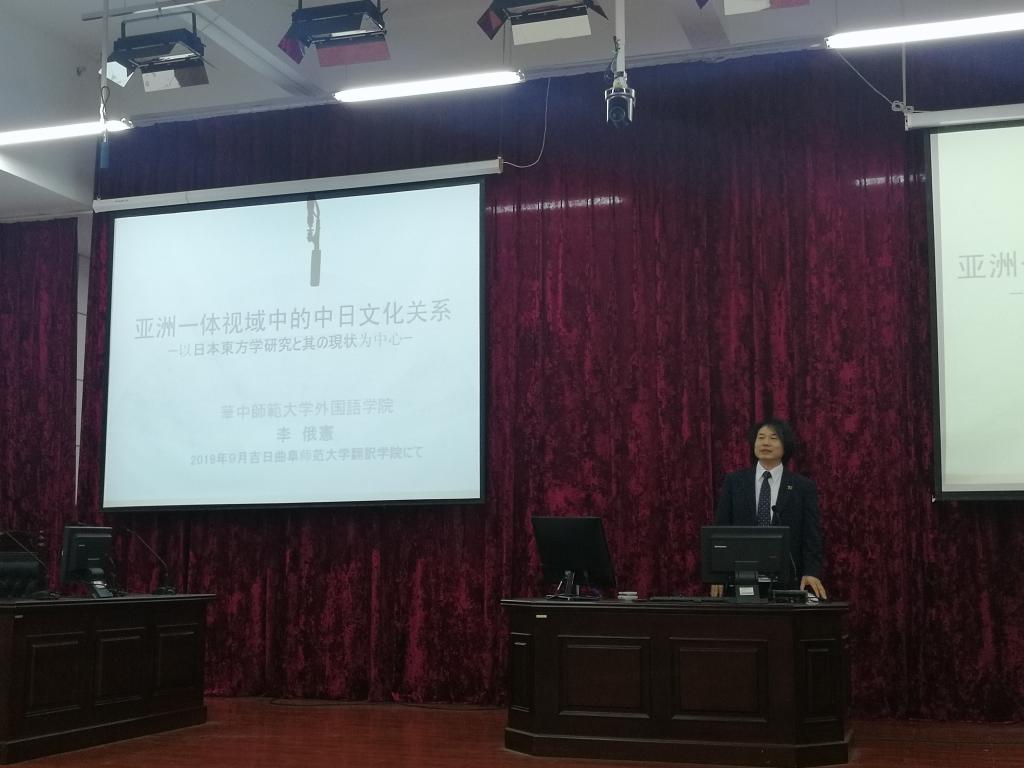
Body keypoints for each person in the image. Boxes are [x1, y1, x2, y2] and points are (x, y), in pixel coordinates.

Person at [710, 418, 827, 599]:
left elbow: (811, 535)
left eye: (773, 438)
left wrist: (811, 572)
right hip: (741, 577)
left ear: (785, 445)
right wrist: (717, 573)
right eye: (761, 437)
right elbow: (721, 529)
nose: (765, 443)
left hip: (787, 580)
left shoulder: (802, 486)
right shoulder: (734, 482)